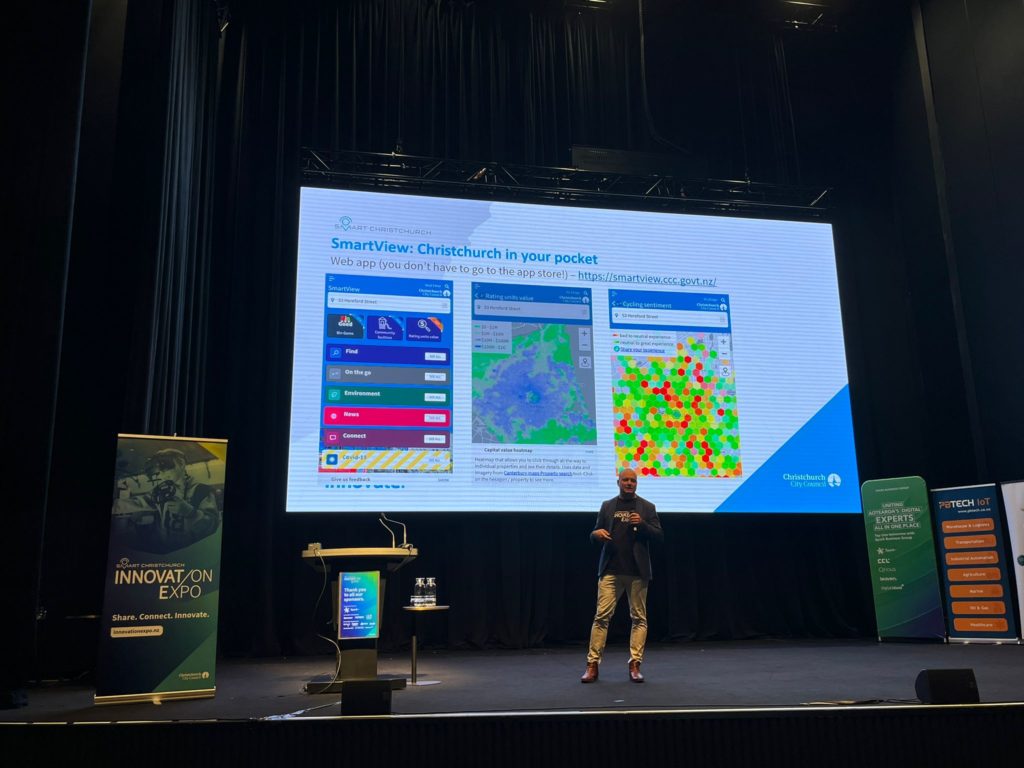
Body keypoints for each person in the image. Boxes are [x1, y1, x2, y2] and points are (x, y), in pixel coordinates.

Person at [581, 467, 663, 683]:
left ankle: (635, 664)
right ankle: (592, 664)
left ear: (636, 484)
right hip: (611, 569)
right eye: (625, 480)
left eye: (633, 481)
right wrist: (595, 534)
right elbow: (594, 533)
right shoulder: (608, 506)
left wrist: (642, 524)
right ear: (618, 482)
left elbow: (658, 535)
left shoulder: (647, 507)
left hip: (637, 571)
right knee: (601, 617)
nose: (629, 483)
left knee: (639, 618)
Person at [112, 448, 221, 553]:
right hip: (161, 549)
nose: (162, 475)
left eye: (166, 468)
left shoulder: (202, 491)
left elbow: (213, 524)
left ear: (181, 464)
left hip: (189, 552)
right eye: (159, 471)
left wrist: (190, 512)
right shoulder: (162, 489)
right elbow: (141, 502)